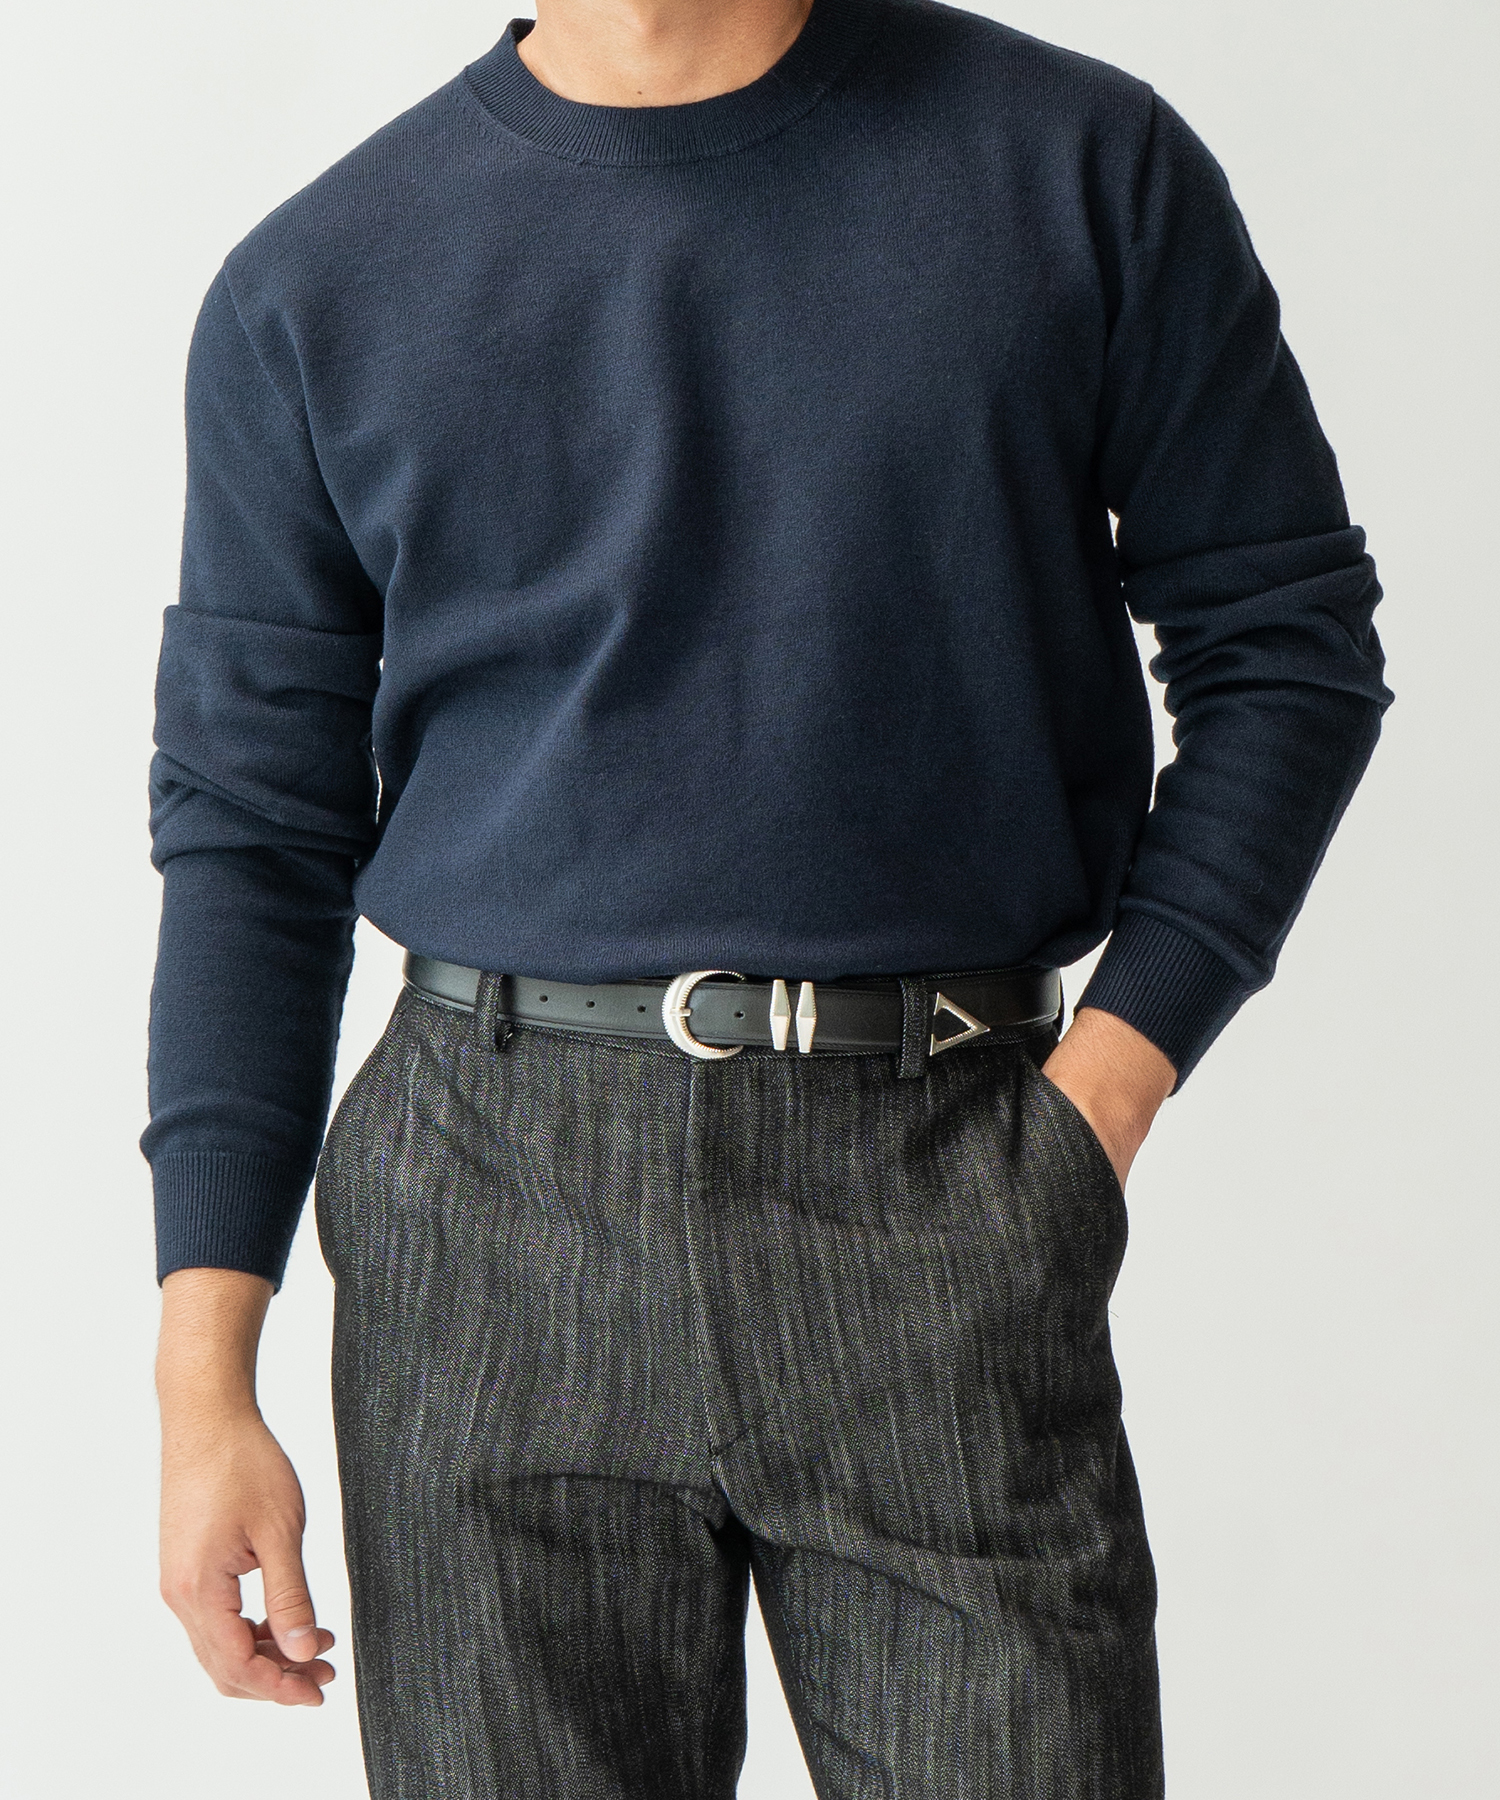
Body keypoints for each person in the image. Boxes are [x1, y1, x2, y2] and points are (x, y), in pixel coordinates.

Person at [145, 0, 1391, 1792]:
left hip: (946, 1174)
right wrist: (204, 1382)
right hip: (485, 1216)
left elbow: (1287, 652)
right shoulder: (314, 283)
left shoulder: (1077, 166)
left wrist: (1099, 1105)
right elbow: (252, 837)